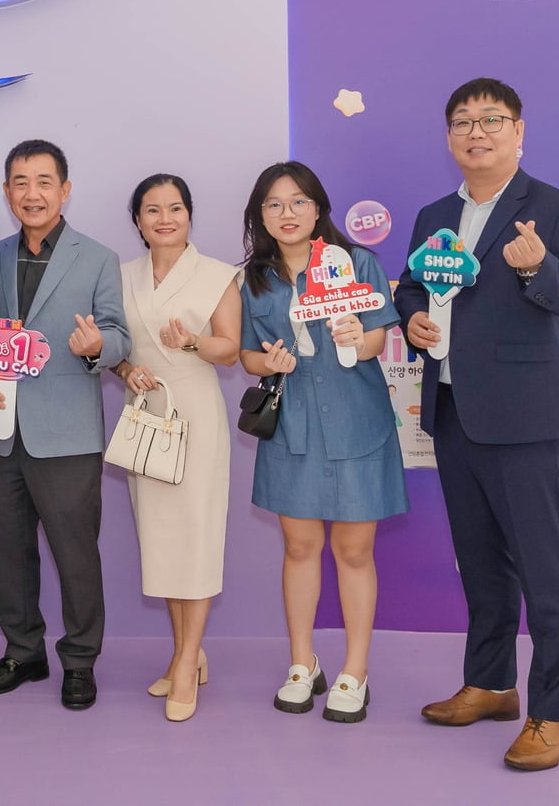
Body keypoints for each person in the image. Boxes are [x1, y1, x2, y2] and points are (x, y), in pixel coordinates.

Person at [395, 77, 559, 772]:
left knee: (546, 574)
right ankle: (490, 684)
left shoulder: (558, 208)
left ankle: (555, 713)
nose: (476, 132)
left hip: (526, 418)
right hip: (453, 411)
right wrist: (413, 319)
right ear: (449, 136)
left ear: (519, 131)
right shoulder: (434, 214)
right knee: (481, 565)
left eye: (491, 119)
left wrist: (539, 267)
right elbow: (410, 287)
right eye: (463, 121)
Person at [237, 161, 407, 727]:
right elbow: (247, 355)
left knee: (354, 551)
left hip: (358, 421)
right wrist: (269, 361)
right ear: (260, 215)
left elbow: (378, 336)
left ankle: (355, 671)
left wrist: (359, 337)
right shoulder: (254, 278)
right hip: (293, 426)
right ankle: (302, 663)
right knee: (300, 547)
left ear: (318, 209)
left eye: (298, 202)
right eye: (274, 204)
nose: (287, 213)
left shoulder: (356, 262)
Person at [0, 141, 131, 712]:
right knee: (8, 552)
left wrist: (98, 346)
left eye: (43, 182)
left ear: (65, 190)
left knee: (75, 554)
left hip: (67, 435)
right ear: (7, 192)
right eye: (20, 182)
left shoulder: (98, 258)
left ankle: (80, 660)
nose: (31, 194)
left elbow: (119, 336)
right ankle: (23, 652)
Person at [114, 173, 241, 722]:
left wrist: (192, 342)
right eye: (152, 210)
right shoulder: (121, 276)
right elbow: (115, 346)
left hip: (196, 412)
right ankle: (186, 651)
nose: (164, 219)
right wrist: (126, 369)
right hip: (146, 413)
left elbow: (230, 349)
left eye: (175, 208)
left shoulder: (216, 274)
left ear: (189, 215)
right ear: (137, 221)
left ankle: (187, 662)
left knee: (197, 536)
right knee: (163, 539)